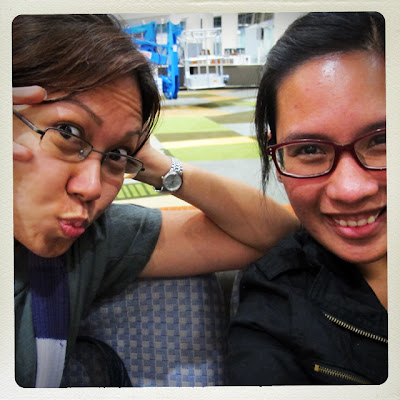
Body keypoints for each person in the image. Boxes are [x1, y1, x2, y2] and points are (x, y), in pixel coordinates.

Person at [12, 14, 299, 387]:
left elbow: (277, 234)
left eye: (116, 156)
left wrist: (158, 165)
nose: (92, 188)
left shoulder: (86, 247)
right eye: (68, 132)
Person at [227, 12, 387, 385]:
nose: (350, 189)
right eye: (309, 149)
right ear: (277, 157)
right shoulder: (275, 311)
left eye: (382, 140)